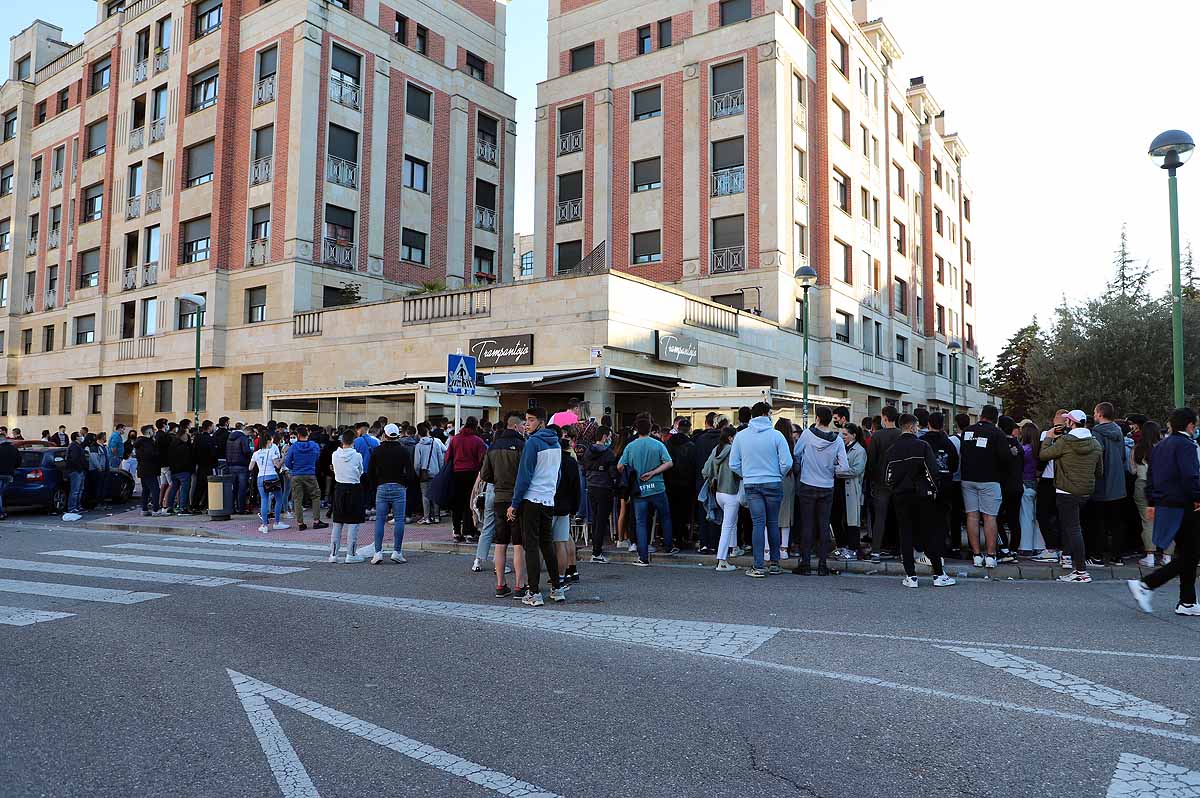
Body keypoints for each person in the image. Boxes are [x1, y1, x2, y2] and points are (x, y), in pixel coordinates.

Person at [1127, 407, 1200, 616]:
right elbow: (1189, 475)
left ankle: (1187, 601)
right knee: (1191, 554)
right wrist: (1197, 497)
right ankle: (1146, 584)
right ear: (1189, 424)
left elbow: (1151, 476)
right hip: (1184, 503)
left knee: (1187, 552)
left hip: (1164, 503)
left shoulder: (1161, 446)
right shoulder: (1186, 445)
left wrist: (1151, 501)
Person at [885, 414, 956, 588]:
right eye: (916, 426)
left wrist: (895, 489)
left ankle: (911, 575)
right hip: (922, 495)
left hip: (901, 496)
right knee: (928, 533)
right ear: (912, 427)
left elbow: (887, 476)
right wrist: (933, 489)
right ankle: (938, 574)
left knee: (905, 534)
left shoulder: (891, 450)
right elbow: (932, 471)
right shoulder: (922, 446)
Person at [508, 408, 566, 606]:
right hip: (548, 499)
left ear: (541, 422)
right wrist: (551, 491)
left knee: (531, 546)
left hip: (531, 498)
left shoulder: (532, 443)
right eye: (526, 421)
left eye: (531, 420)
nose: (527, 424)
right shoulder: (557, 443)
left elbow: (524, 476)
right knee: (547, 544)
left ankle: (534, 592)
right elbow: (558, 474)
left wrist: (515, 504)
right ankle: (557, 588)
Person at [1039, 409, 1103, 583]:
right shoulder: (1096, 444)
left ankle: (1081, 571)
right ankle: (1070, 560)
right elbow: (1099, 471)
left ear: (1071, 423)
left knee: (1072, 529)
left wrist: (1049, 437)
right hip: (1085, 491)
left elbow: (1044, 455)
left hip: (1066, 491)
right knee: (1074, 527)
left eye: (1068, 421)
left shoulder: (1065, 442)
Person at [729, 402, 792, 578]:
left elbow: (733, 464)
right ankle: (775, 563)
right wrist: (777, 474)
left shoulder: (741, 436)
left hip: (752, 484)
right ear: (766, 414)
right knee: (773, 523)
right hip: (773, 482)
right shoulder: (776, 435)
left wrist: (747, 474)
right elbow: (787, 462)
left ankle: (758, 566)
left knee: (758, 524)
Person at [792, 406, 848, 575]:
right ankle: (823, 565)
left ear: (817, 418)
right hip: (827, 486)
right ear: (830, 420)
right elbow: (844, 466)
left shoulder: (808, 435)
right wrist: (831, 469)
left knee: (807, 525)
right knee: (824, 525)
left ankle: (806, 564)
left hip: (807, 483)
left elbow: (796, 452)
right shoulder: (837, 439)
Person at [618, 415, 677, 566]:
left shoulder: (631, 446)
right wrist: (654, 472)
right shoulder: (657, 444)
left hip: (639, 489)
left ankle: (643, 557)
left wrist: (631, 472)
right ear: (651, 429)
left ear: (637, 429)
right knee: (665, 517)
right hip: (657, 487)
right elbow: (669, 463)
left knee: (641, 523)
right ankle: (668, 546)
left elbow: (620, 466)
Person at [478, 411, 526, 596]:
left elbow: (485, 475)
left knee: (500, 541)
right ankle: (520, 585)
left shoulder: (493, 447)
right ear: (515, 426)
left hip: (498, 498)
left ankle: (500, 584)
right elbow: (526, 474)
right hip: (517, 499)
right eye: (522, 424)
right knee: (518, 543)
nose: (524, 427)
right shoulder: (523, 446)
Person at [959, 404, 1011, 569]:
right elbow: (1005, 458)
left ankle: (976, 555)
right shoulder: (997, 433)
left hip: (968, 479)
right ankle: (990, 555)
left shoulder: (967, 431)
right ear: (995, 419)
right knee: (990, 517)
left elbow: (963, 453)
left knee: (972, 517)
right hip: (990, 479)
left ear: (981, 416)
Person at [366, 423, 414, 564]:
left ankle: (378, 552)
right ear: (397, 435)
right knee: (399, 520)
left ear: (385, 435)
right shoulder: (403, 451)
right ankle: (397, 552)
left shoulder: (377, 450)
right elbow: (410, 472)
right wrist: (405, 484)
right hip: (399, 487)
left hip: (382, 486)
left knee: (380, 520)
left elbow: (370, 472)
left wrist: (375, 485)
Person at [1088, 402, 1129, 566]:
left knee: (1098, 523)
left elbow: (1097, 458)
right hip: (1119, 484)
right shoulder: (1119, 432)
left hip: (1102, 484)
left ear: (1099, 413)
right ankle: (1117, 556)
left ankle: (1097, 556)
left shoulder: (1096, 433)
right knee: (1117, 523)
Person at [864, 406, 903, 562]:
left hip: (881, 482)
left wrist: (873, 480)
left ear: (884, 418)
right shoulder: (901, 434)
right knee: (901, 518)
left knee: (880, 518)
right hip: (900, 483)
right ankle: (900, 550)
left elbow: (871, 461)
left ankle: (876, 551)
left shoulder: (877, 436)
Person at [1032, 410, 1069, 563]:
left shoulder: (1046, 435)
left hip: (1048, 479)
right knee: (1060, 515)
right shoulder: (1070, 436)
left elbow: (1042, 456)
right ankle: (1061, 548)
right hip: (1063, 480)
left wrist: (1038, 473)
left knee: (1043, 513)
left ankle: (1051, 548)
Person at [704, 425, 742, 571]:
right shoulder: (733, 450)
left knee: (730, 522)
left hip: (718, 492)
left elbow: (706, 470)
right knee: (727, 526)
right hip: (731, 491)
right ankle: (722, 560)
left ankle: (733, 548)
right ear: (731, 438)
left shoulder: (716, 449)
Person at [445, 417, 487, 543]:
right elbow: (483, 459)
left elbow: (447, 458)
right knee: (470, 504)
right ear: (475, 426)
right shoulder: (478, 441)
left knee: (457, 504)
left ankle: (457, 532)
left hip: (456, 474)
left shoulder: (455, 439)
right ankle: (469, 532)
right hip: (472, 474)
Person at [1130, 420, 1164, 567]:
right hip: (1162, 487)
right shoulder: (1165, 448)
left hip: (1142, 485)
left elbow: (1132, 470)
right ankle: (1167, 556)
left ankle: (1150, 555)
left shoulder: (1137, 449)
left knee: (1147, 520)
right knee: (1165, 520)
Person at [329, 430, 366, 563]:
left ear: (342, 441)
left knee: (337, 523)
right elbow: (361, 471)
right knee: (353, 522)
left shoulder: (334, 455)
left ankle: (333, 554)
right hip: (354, 488)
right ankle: (351, 554)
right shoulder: (357, 456)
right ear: (353, 441)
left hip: (339, 488)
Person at [582, 425, 618, 563]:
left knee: (595, 517)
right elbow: (613, 473)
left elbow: (584, 468)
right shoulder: (609, 454)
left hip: (591, 486)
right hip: (605, 488)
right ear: (604, 437)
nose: (610, 439)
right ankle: (597, 551)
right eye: (609, 436)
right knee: (602, 520)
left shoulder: (587, 452)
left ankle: (595, 547)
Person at [552, 431, 582, 584]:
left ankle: (555, 575)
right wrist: (575, 508)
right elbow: (577, 488)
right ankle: (569, 571)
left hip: (550, 504)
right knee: (563, 540)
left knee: (549, 542)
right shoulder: (571, 462)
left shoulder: (550, 460)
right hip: (566, 506)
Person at [834, 423, 868, 559]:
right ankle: (842, 546)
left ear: (854, 435)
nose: (843, 437)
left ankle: (853, 548)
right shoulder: (841, 447)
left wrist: (837, 471)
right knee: (837, 518)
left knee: (852, 520)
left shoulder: (859, 451)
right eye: (842, 434)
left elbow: (856, 470)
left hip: (851, 488)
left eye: (846, 434)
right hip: (838, 489)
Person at [664, 418, 697, 549]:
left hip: (670, 482)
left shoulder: (668, 443)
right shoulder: (691, 445)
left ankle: (669, 537)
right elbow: (693, 466)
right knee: (683, 512)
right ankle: (681, 537)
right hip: (686, 484)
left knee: (671, 511)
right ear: (689, 429)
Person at [691, 413, 722, 554]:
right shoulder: (722, 441)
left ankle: (704, 543)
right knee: (718, 512)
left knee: (703, 511)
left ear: (706, 422)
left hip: (702, 480)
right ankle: (716, 543)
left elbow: (696, 461)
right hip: (720, 481)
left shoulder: (700, 440)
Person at [285, 426, 325, 531]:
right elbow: (317, 458)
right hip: (310, 474)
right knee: (315, 497)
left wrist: (295, 467)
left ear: (298, 435)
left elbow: (288, 462)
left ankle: (300, 523)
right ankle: (316, 521)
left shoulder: (293, 447)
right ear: (307, 434)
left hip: (297, 475)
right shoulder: (314, 445)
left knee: (298, 499)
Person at [995, 416, 1024, 563]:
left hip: (1003, 486)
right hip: (1017, 486)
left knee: (997, 518)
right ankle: (1014, 548)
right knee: (1014, 519)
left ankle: (1003, 547)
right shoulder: (1018, 445)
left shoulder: (1000, 444)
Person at [250, 435, 288, 534]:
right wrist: (284, 456)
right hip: (272, 476)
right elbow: (278, 465)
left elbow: (250, 467)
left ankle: (264, 525)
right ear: (268, 441)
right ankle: (277, 522)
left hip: (260, 477)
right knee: (278, 499)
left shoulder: (256, 453)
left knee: (264, 500)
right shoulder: (271, 452)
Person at [1018, 422, 1044, 555]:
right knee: (1035, 518)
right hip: (1035, 483)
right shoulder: (1039, 450)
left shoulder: (1023, 450)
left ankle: (1026, 546)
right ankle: (1039, 545)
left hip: (1024, 483)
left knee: (1025, 516)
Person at [773, 417, 797, 560]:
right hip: (788, 479)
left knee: (772, 514)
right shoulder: (790, 443)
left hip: (774, 478)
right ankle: (784, 548)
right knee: (787, 514)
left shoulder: (773, 441)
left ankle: (769, 549)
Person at [414, 423, 447, 524]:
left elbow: (417, 463)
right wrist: (441, 471)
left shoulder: (418, 446)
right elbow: (441, 458)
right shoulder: (436, 442)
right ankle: (436, 516)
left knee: (425, 495)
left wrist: (418, 473)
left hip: (424, 474)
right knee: (435, 494)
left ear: (419, 434)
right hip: (436, 472)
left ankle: (427, 517)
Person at [165, 428, 195, 515]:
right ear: (182, 436)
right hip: (184, 471)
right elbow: (189, 459)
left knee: (174, 488)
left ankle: (169, 507)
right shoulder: (185, 447)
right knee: (184, 490)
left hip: (174, 470)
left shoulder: (172, 445)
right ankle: (183, 508)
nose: (188, 436)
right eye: (186, 435)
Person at [226, 423, 253, 514]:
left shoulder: (229, 438)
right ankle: (241, 508)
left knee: (233, 488)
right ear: (247, 431)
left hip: (231, 465)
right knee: (242, 488)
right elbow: (246, 451)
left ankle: (231, 508)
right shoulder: (243, 438)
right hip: (242, 465)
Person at [134, 425, 162, 516]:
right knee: (155, 489)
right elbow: (151, 454)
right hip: (150, 469)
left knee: (146, 489)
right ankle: (155, 509)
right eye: (153, 430)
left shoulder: (140, 442)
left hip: (142, 469)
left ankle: (144, 509)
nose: (155, 432)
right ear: (149, 432)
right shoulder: (148, 443)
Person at [61, 433, 88, 522]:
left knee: (80, 489)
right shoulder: (74, 446)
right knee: (75, 490)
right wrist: (80, 469)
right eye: (80, 435)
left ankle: (77, 506)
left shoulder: (78, 446)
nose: (82, 437)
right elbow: (74, 459)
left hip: (79, 471)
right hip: (75, 471)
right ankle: (72, 507)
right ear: (76, 437)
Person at [0, 429, 18, 520]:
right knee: (2, 493)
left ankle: (1, 513)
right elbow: (18, 461)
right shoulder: (13, 449)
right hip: (9, 474)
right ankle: (3, 510)